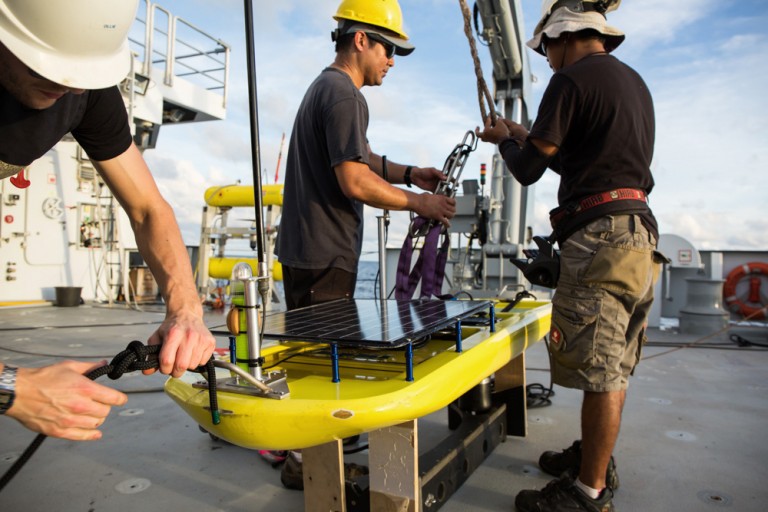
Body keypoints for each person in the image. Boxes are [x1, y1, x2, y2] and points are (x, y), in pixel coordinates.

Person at [475, 1, 664, 511]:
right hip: (638, 235)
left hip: (599, 244)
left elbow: (529, 170)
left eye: (547, 51)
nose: (547, 61)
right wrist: (522, 134)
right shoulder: (632, 83)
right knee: (615, 364)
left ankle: (588, 493)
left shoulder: (571, 81)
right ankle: (595, 460)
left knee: (599, 370)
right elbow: (587, 167)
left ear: (563, 38)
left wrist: (503, 142)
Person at [0, 0, 215, 441]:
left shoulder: (83, 88)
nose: (69, 86)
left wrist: (186, 310)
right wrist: (11, 387)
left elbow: (149, 208)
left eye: (83, 76)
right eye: (51, 70)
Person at [273, 0, 456, 489]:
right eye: (389, 49)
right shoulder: (346, 96)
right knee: (318, 363)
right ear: (361, 40)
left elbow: (362, 155)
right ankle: (305, 465)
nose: (392, 61)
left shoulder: (326, 87)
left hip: (309, 249)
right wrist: (420, 203)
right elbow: (354, 178)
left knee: (311, 355)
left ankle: (302, 453)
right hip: (323, 252)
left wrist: (409, 172)